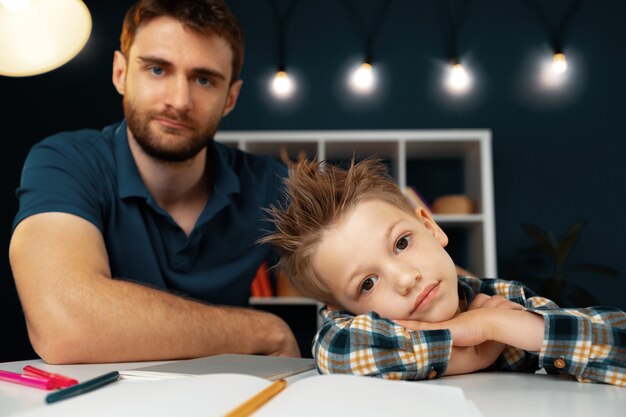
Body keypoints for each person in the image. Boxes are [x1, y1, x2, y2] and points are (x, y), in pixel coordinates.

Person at [9, 0, 300, 364]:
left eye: (204, 79)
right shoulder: (65, 160)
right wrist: (264, 331)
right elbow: (64, 325)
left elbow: (371, 253)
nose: (179, 101)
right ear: (120, 73)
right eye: (158, 70)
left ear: (230, 98)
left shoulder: (268, 183)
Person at [260, 158, 626, 386]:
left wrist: (494, 325)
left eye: (402, 243)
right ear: (342, 308)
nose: (405, 279)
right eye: (368, 284)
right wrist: (461, 336)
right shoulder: (350, 333)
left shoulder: (502, 300)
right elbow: (333, 349)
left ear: (430, 227)